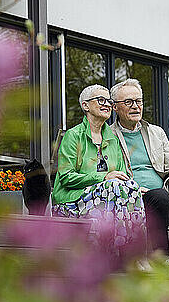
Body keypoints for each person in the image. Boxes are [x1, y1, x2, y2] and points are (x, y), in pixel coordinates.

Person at [110, 79, 169, 267]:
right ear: (115, 107)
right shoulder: (108, 135)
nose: (136, 106)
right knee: (160, 195)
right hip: (133, 204)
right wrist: (132, 189)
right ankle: (159, 258)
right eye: (129, 102)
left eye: (139, 101)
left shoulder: (156, 132)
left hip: (161, 203)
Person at [52, 84, 146, 258]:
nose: (107, 105)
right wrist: (104, 178)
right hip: (71, 201)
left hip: (107, 197)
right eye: (101, 100)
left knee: (131, 187)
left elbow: (123, 174)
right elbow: (66, 177)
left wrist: (132, 188)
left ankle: (137, 256)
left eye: (109, 101)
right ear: (85, 105)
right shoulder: (73, 136)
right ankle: (111, 255)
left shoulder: (112, 139)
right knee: (111, 187)